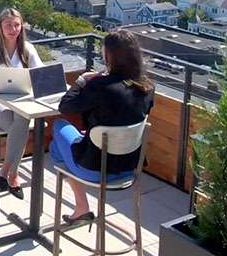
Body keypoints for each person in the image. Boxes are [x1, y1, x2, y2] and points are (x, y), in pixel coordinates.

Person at [51, 30, 154, 227]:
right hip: (128, 168)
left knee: (59, 129)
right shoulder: (147, 88)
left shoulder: (100, 86)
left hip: (95, 169)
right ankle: (81, 207)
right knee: (70, 143)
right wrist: (95, 133)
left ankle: (81, 205)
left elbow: (65, 106)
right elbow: (122, 116)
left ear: (109, 55)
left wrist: (82, 80)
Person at [0, 7, 43, 200]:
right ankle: (12, 174)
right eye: (8, 25)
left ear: (22, 27)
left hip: (20, 104)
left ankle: (6, 172)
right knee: (20, 125)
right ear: (0, 27)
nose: (13, 29)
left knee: (21, 120)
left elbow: (40, 74)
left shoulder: (27, 49)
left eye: (16, 25)